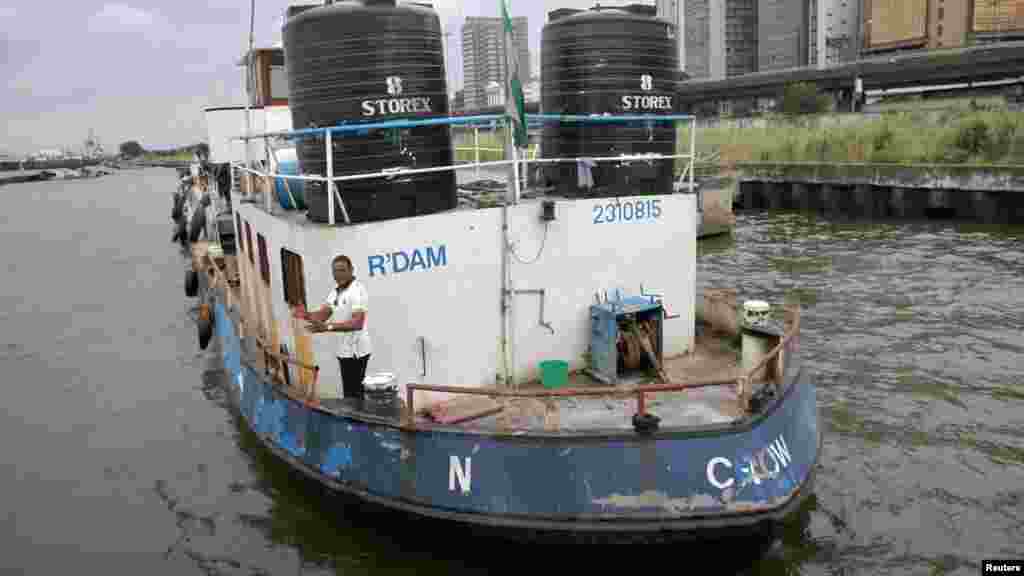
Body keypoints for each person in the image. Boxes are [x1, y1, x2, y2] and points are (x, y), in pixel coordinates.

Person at [294, 254, 372, 401]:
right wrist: (306, 315)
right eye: (335, 271)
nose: (338, 274)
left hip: (357, 351)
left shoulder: (357, 291)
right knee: (349, 393)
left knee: (354, 394)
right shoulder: (336, 292)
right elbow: (323, 315)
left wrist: (327, 327)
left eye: (342, 270)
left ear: (351, 270)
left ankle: (357, 414)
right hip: (344, 351)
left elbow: (357, 323)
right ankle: (353, 412)